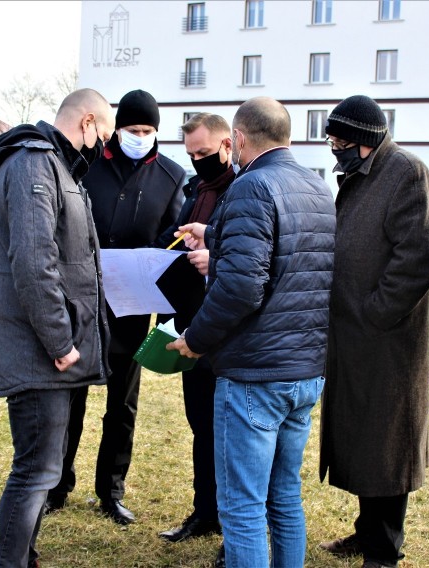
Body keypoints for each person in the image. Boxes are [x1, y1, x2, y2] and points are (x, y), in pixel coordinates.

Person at [167, 96, 336, 568]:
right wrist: (216, 236)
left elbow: (242, 287)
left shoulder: (251, 187)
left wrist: (195, 339)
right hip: (304, 368)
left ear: (238, 139)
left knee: (242, 506)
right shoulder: (318, 188)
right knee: (284, 497)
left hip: (255, 373)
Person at [0, 88, 114, 568]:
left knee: (43, 470)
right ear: (88, 121)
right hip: (42, 352)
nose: (102, 149)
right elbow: (35, 262)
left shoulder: (53, 164)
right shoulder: (36, 163)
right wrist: (61, 340)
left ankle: (24, 557)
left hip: (49, 350)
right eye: (104, 136)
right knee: (35, 472)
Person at [46, 89, 185, 525]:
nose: (139, 137)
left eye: (147, 131)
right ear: (117, 129)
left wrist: (149, 258)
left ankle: (111, 490)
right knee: (72, 398)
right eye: (131, 130)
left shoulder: (171, 175)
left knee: (122, 405)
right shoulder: (87, 166)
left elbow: (173, 234)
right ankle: (57, 485)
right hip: (84, 302)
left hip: (134, 306)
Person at [318, 95, 429, 568]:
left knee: (387, 448)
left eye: (341, 140)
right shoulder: (357, 176)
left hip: (387, 341)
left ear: (366, 141)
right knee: (362, 441)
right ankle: (366, 531)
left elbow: (419, 259)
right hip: (353, 336)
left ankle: (384, 549)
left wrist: (372, 313)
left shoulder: (407, 174)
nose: (335, 148)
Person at [153, 112, 235, 543]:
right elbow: (175, 236)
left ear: (227, 146)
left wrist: (212, 248)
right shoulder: (196, 189)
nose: (197, 161)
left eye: (204, 153)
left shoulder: (244, 190)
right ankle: (205, 511)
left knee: (228, 434)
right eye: (190, 154)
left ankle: (232, 524)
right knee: (201, 426)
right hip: (190, 328)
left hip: (226, 333)